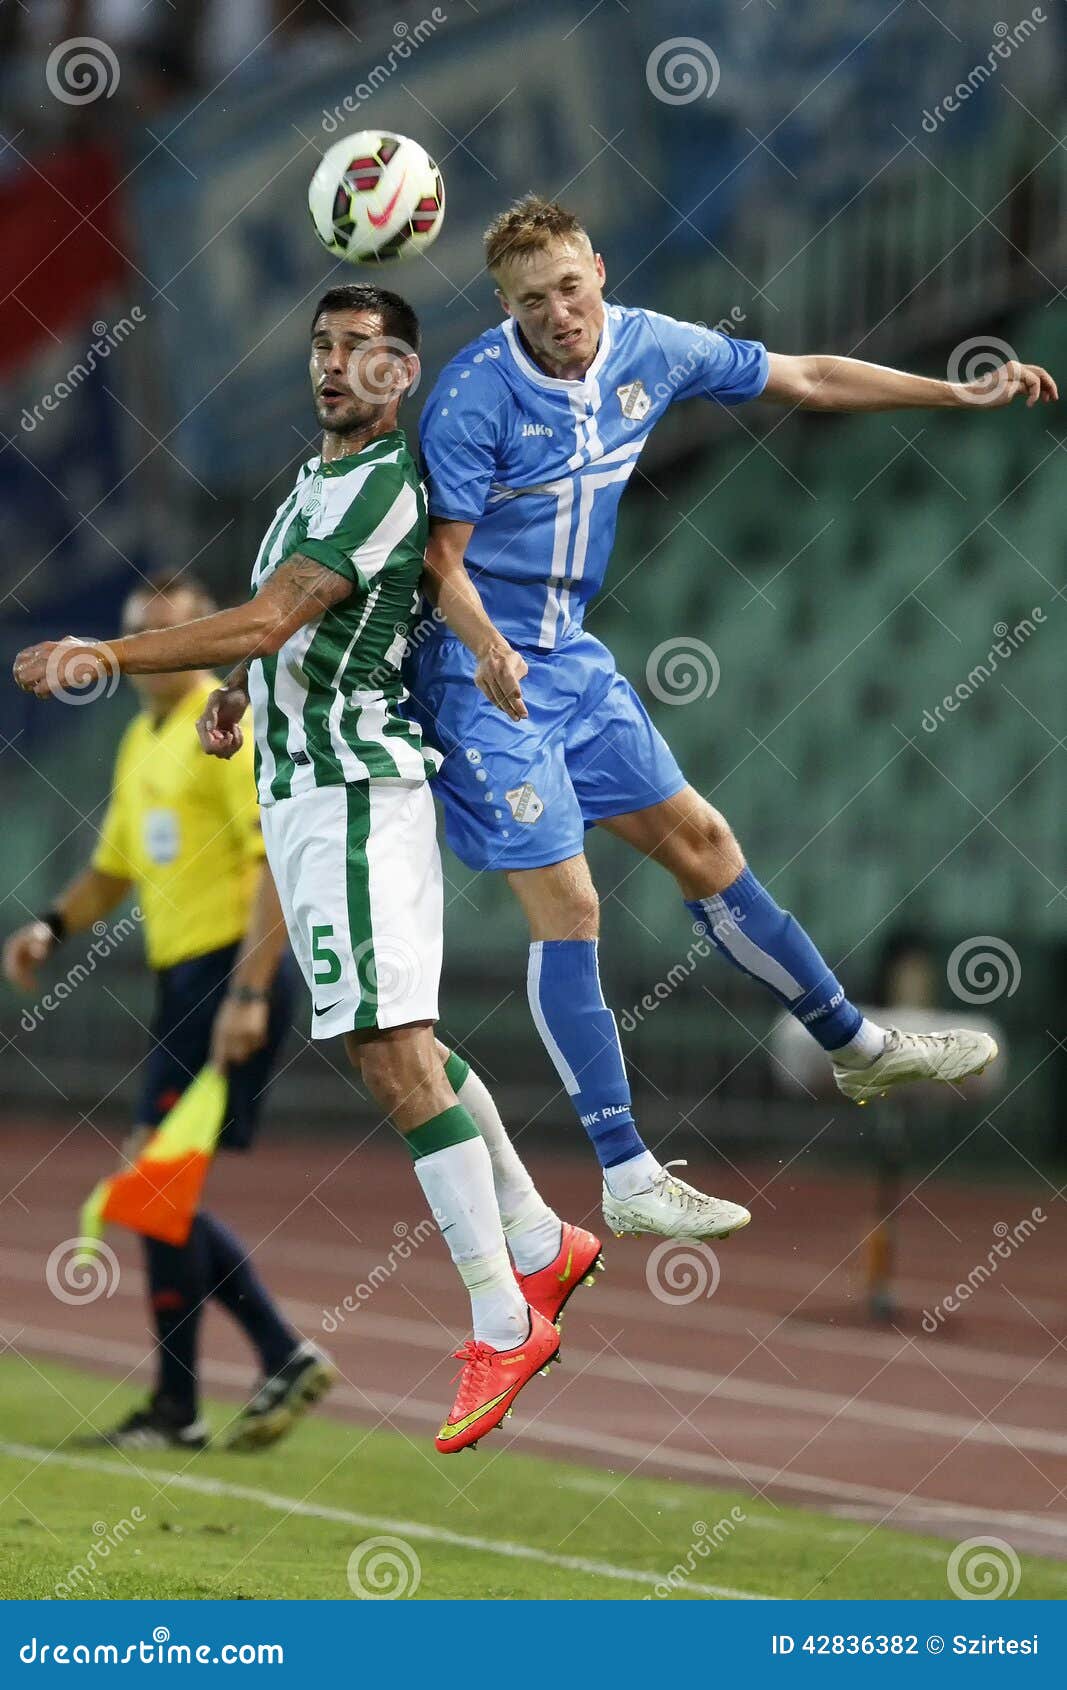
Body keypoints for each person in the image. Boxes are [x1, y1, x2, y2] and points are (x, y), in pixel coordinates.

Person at [12, 285, 601, 1456]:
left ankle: (501, 1315)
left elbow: (273, 618)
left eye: (366, 353)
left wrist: (106, 652)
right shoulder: (310, 486)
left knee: (387, 1056)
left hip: (351, 794)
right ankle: (539, 1238)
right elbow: (299, 635)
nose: (336, 366)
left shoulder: (384, 483)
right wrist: (242, 698)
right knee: (401, 1043)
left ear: (403, 377)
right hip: (305, 791)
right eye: (324, 346)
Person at [405, 195, 1051, 1239]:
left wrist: (954, 393)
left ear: (598, 273)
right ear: (504, 305)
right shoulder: (473, 395)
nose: (557, 312)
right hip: (476, 681)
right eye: (532, 301)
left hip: (568, 660)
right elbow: (439, 561)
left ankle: (854, 1051)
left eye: (569, 288)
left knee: (704, 843)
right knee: (570, 904)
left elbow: (806, 376)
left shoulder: (649, 346)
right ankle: (623, 1169)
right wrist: (484, 645)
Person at [3, 571, 333, 1452]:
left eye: (181, 632)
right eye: (150, 634)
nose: (163, 654)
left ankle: (207, 1392)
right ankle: (250, 1370)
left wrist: (253, 991)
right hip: (185, 979)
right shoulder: (143, 740)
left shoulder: (224, 731)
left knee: (154, 1184)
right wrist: (49, 927)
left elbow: (276, 861)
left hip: (228, 972)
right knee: (160, 1190)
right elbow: (115, 866)